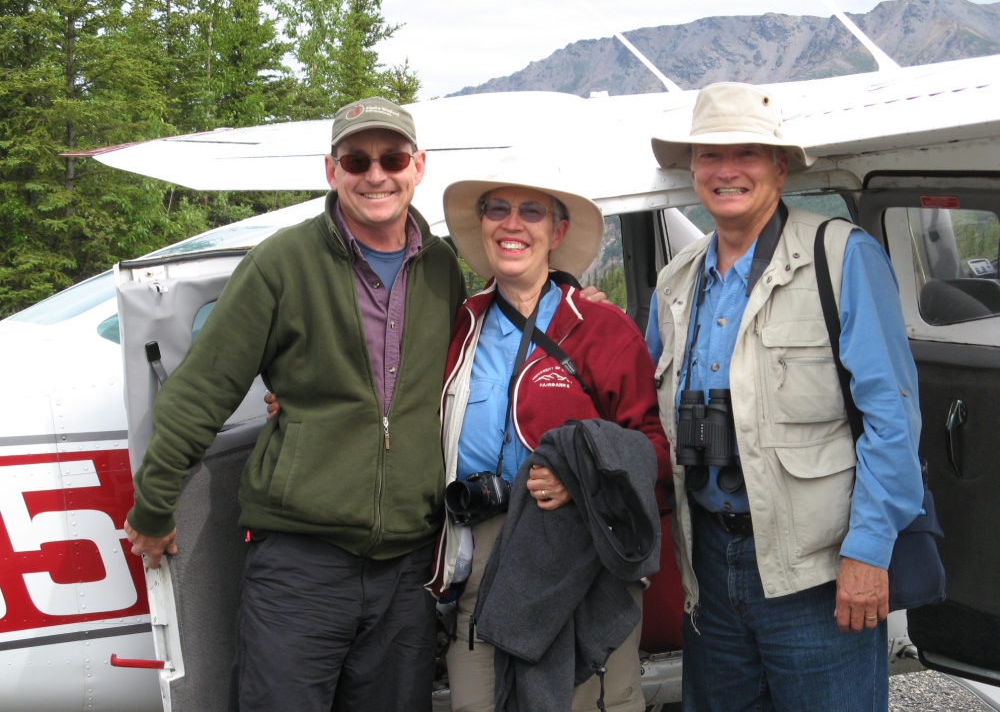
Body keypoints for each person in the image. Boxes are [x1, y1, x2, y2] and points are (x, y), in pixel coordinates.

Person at [123, 97, 467, 712]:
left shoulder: (443, 268)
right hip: (301, 567)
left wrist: (576, 300)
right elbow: (202, 390)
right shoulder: (283, 261)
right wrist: (154, 507)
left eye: (390, 158)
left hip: (408, 568)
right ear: (331, 171)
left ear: (418, 166)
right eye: (356, 160)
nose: (375, 175)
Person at [645, 82, 924, 710]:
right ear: (692, 169)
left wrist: (868, 552)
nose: (725, 171)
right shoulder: (675, 285)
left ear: (780, 165)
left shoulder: (842, 258)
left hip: (820, 573)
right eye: (709, 155)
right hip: (711, 567)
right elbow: (644, 409)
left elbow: (894, 420)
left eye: (746, 153)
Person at [427, 165, 673, 712]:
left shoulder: (602, 329)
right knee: (478, 703)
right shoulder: (459, 326)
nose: (512, 224)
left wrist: (581, 474)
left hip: (577, 558)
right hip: (482, 554)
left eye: (531, 211)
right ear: (483, 224)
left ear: (556, 234)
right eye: (498, 209)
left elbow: (656, 451)